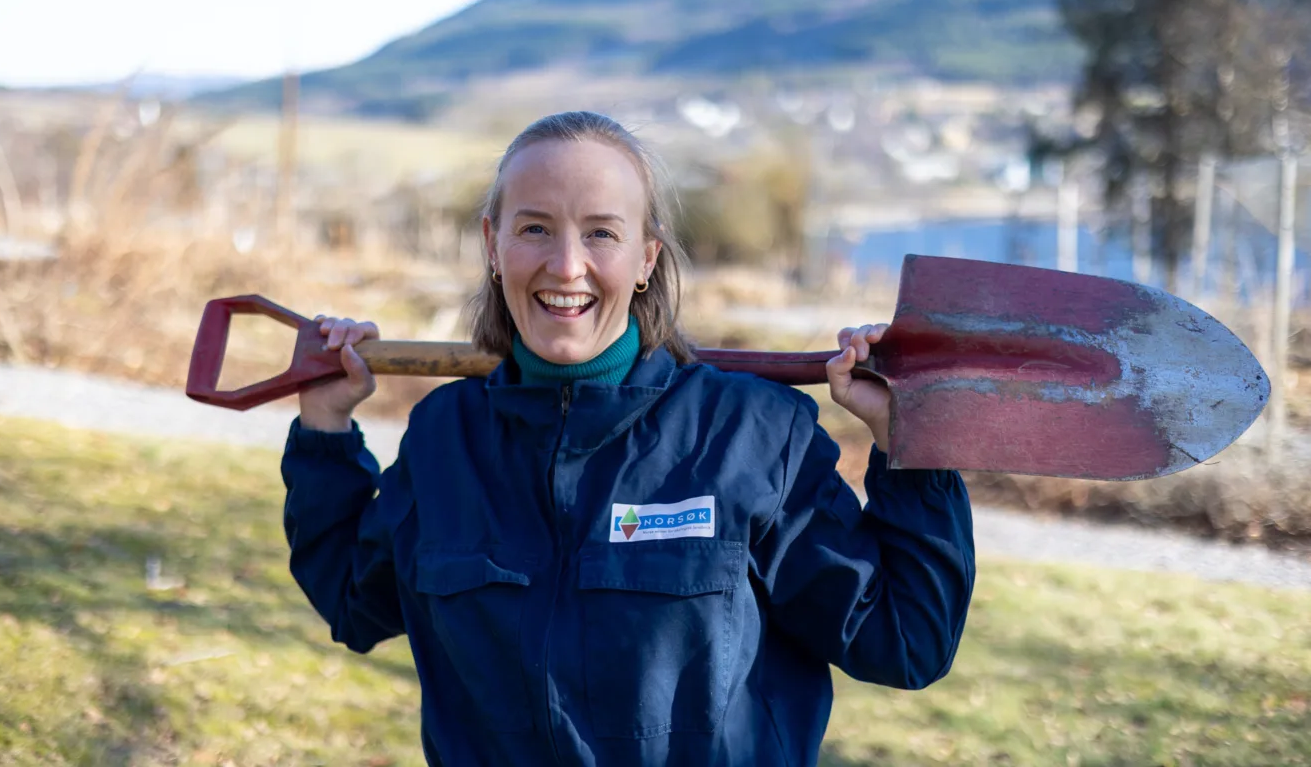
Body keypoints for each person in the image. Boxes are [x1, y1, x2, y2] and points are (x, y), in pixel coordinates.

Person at [281, 111, 975, 766]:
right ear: (492, 245)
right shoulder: (444, 439)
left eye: (601, 234)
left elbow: (905, 641)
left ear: (647, 258)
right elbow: (352, 600)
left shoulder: (753, 436)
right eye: (534, 229)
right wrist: (325, 426)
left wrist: (910, 452)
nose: (566, 265)